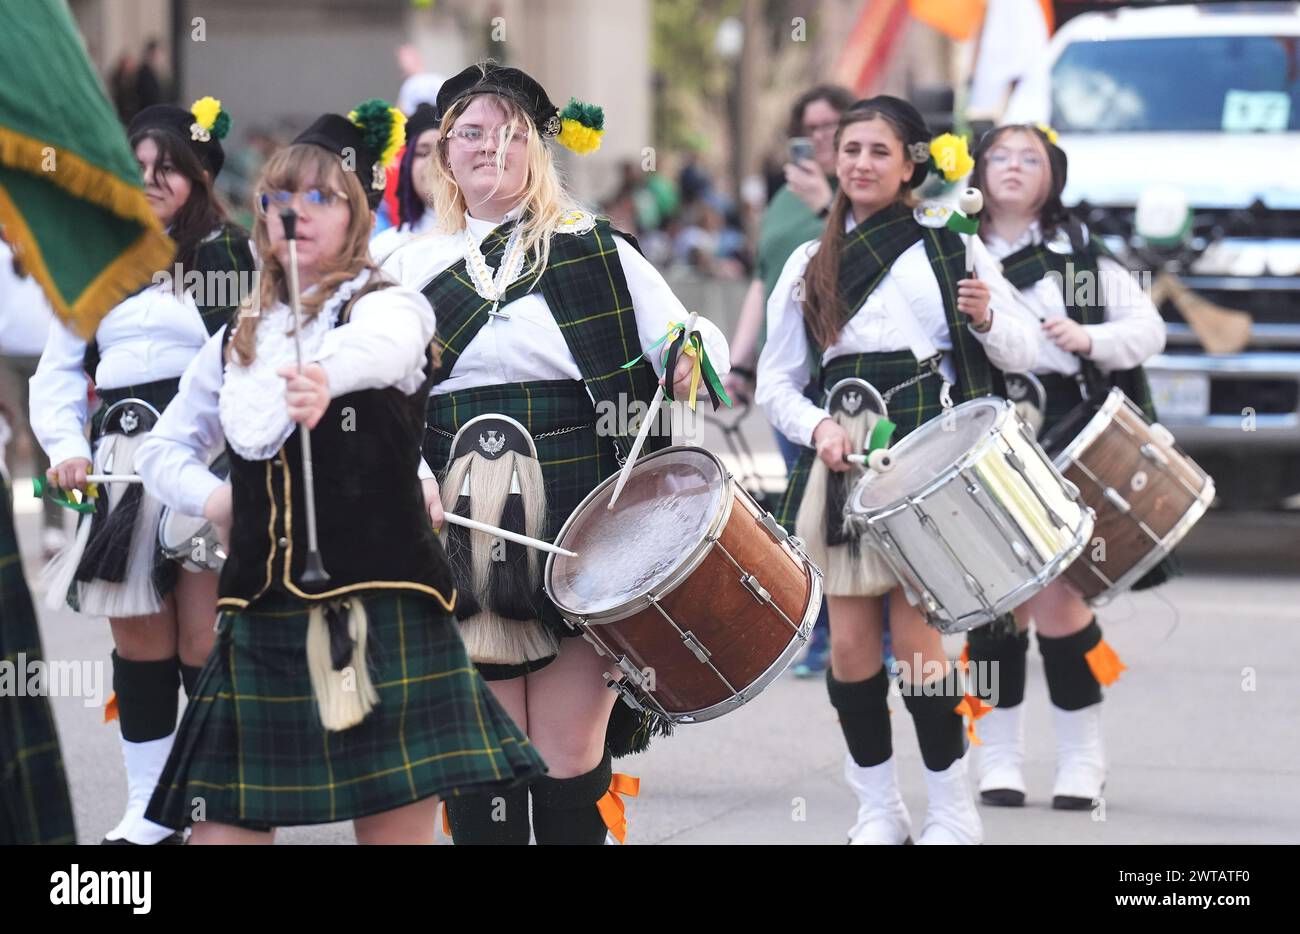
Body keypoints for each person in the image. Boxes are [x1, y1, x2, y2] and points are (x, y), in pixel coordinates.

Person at [132, 99, 544, 844]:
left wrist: (325, 377)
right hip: (260, 611)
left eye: (321, 196)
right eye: (281, 197)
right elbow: (161, 449)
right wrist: (213, 498)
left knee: (391, 836)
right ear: (262, 218)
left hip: (383, 608)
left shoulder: (388, 305)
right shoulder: (238, 337)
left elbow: (386, 350)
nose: (299, 211)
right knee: (220, 832)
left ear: (354, 215)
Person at [384, 61, 730, 844]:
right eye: (469, 134)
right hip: (454, 519)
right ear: (444, 154)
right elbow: (372, 400)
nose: (487, 148)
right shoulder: (405, 266)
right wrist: (407, 476)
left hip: (586, 518)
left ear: (537, 148)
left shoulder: (595, 248)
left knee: (568, 751)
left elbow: (691, 335)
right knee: (485, 754)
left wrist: (689, 358)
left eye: (508, 133)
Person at [756, 96, 1037, 845]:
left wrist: (984, 318)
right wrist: (815, 426)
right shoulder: (806, 262)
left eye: (879, 151)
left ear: (912, 162)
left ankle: (952, 807)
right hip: (845, 454)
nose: (861, 164)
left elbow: (1025, 348)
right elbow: (776, 383)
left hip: (928, 455)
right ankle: (877, 808)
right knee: (850, 651)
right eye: (850, 150)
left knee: (919, 648)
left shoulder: (950, 242)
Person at [30, 96, 253, 845]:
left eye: (169, 169)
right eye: (139, 168)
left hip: (203, 464)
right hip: (118, 468)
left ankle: (217, 800)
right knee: (139, 642)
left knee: (201, 640)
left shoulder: (232, 256)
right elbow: (58, 372)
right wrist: (66, 447)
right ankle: (149, 810)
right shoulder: (99, 264)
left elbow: (252, 366)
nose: (152, 181)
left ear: (200, 174)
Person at [965, 123, 1166, 810]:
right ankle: (997, 755)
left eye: (1031, 158)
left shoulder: (1078, 252)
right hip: (980, 438)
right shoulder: (949, 243)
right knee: (994, 603)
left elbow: (1149, 330)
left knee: (1059, 600)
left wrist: (1091, 337)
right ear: (977, 166)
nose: (1014, 168)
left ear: (1054, 172)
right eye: (1000, 156)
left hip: (1065, 431)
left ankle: (1084, 756)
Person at [725, 84, 855, 678]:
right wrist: (742, 363)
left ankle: (867, 635)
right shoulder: (782, 199)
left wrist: (830, 197)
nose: (822, 137)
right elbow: (762, 280)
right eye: (811, 127)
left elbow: (860, 254)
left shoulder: (856, 193)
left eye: (833, 126)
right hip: (788, 370)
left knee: (850, 505)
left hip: (846, 369)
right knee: (803, 503)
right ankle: (821, 629)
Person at [370, 102, 439, 264]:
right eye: (423, 152)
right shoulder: (384, 249)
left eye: (445, 151)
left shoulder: (490, 240)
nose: (435, 162)